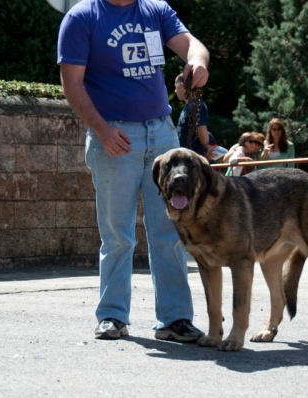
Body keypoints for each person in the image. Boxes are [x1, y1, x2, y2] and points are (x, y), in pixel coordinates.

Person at [57, 0, 208, 342]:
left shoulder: (156, 10)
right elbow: (71, 83)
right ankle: (112, 316)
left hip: (162, 133)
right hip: (114, 135)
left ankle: (174, 319)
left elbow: (192, 46)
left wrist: (197, 63)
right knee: (117, 233)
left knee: (171, 230)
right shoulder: (82, 17)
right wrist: (102, 130)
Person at [174, 72, 210, 158]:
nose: (175, 91)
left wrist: (207, 143)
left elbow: (204, 139)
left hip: (192, 159)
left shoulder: (197, 105)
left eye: (176, 87)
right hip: (184, 156)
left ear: (182, 86)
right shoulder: (187, 108)